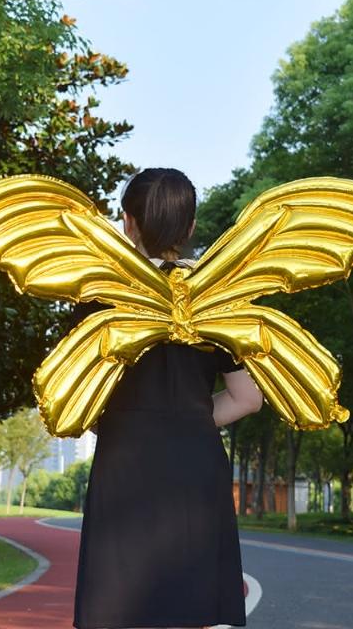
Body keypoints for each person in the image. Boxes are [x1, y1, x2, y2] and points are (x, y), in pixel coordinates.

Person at [72, 168, 263, 629]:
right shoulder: (215, 298)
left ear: (128, 222)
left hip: (124, 466)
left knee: (118, 609)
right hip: (195, 469)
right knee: (190, 609)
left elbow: (77, 397)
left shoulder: (100, 293)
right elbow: (248, 399)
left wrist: (122, 418)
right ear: (191, 226)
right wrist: (189, 417)